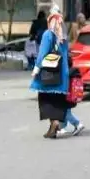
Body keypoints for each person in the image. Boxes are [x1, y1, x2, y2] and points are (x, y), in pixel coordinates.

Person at [30, 7, 84, 137]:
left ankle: (54, 123)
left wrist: (36, 69)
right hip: (61, 76)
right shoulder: (63, 38)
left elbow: (43, 53)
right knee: (59, 102)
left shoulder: (48, 34)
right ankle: (56, 125)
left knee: (46, 100)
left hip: (49, 74)